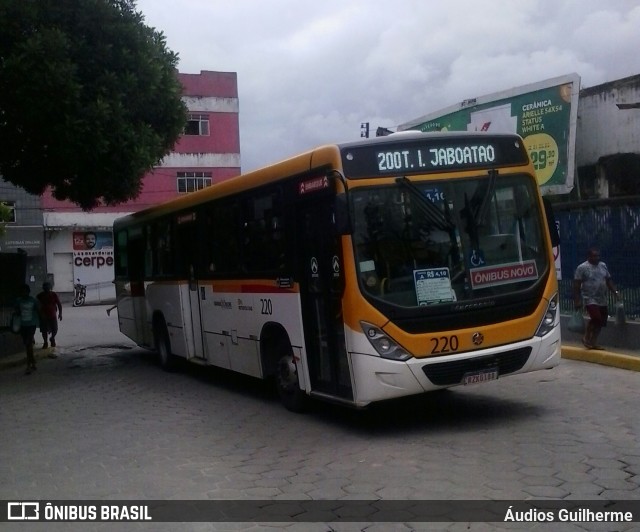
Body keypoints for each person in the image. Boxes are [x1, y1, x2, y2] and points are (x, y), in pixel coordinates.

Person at [573, 247, 619, 349]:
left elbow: (608, 280)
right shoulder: (582, 268)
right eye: (594, 256)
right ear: (589, 256)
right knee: (596, 318)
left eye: (598, 256)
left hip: (602, 298)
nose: (596, 258)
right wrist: (577, 300)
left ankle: (593, 342)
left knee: (601, 321)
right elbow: (576, 285)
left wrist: (615, 292)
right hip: (589, 298)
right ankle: (586, 337)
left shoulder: (603, 265)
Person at [14, 284, 41, 375]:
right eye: (22, 292)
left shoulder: (33, 301)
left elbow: (38, 310)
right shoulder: (18, 301)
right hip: (23, 325)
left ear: (28, 292)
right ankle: (32, 361)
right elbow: (16, 311)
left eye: (25, 291)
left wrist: (41, 322)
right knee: (27, 344)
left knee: (28, 343)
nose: (24, 293)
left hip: (31, 324)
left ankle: (29, 365)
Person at [37, 281, 62, 354]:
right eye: (45, 287)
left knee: (55, 329)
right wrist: (40, 314)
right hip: (43, 315)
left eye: (48, 287)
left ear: (50, 288)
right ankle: (45, 342)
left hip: (52, 315)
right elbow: (37, 305)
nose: (46, 288)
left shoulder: (54, 294)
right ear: (43, 288)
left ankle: (52, 338)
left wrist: (60, 314)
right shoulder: (40, 295)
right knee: (44, 330)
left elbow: (59, 304)